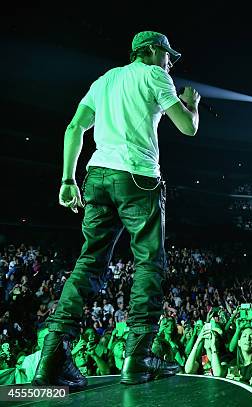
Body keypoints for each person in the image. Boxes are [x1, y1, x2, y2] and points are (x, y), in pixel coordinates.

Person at [33, 31, 201, 389]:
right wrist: (191, 104)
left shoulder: (106, 79)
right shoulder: (156, 75)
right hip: (137, 178)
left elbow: (75, 126)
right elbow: (188, 128)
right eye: (167, 54)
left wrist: (67, 179)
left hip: (96, 175)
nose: (170, 61)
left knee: (89, 262)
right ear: (153, 50)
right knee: (148, 262)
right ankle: (137, 358)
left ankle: (53, 356)